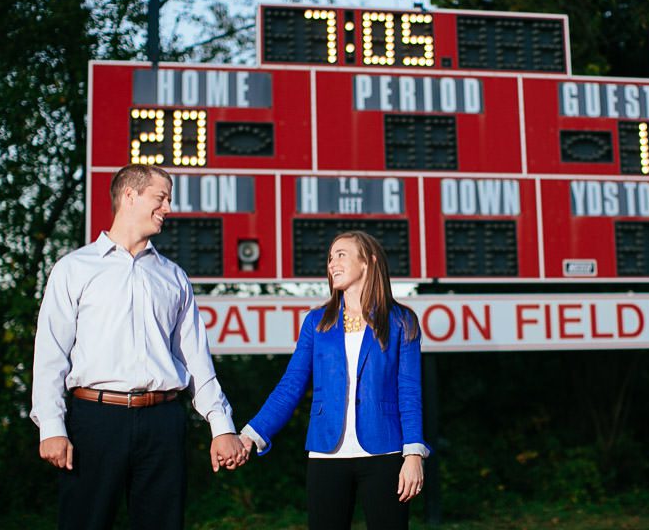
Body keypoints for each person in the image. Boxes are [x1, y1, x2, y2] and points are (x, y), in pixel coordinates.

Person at [30, 164, 248, 530]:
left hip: (163, 421)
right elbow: (51, 354)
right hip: (94, 420)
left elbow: (195, 359)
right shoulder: (74, 269)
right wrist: (51, 426)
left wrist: (221, 426)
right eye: (161, 198)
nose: (168, 208)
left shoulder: (174, 276)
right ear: (130, 196)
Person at [240, 230, 430, 530]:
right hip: (325, 453)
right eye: (330, 258)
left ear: (368, 261)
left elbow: (409, 392)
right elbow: (291, 385)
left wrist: (414, 453)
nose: (332, 263)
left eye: (341, 254)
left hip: (386, 452)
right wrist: (251, 434)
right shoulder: (316, 323)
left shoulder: (401, 320)